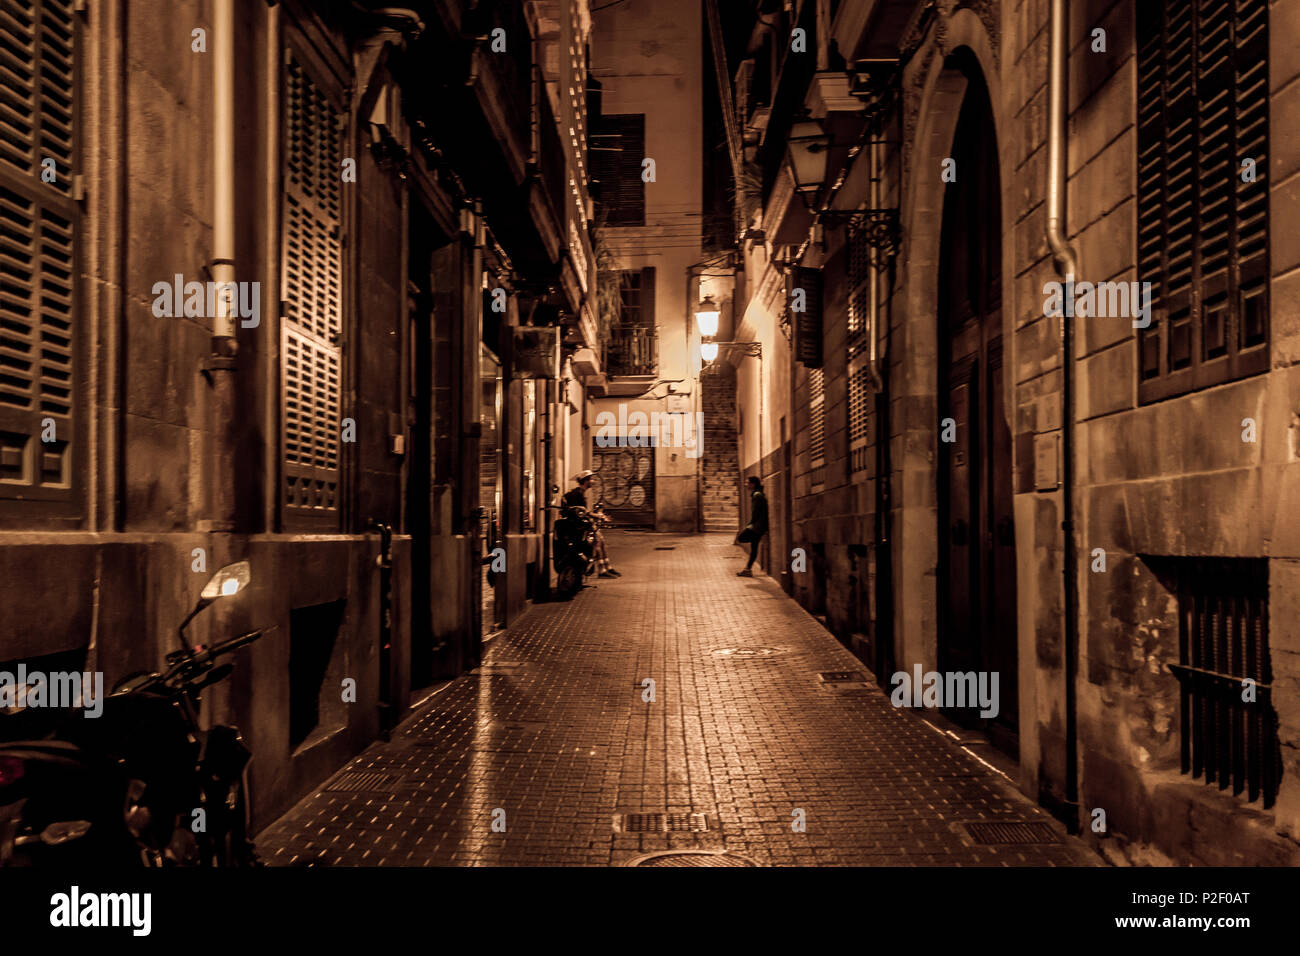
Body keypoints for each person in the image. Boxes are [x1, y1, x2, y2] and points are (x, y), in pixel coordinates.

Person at [565, 470, 620, 578]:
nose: (593, 481)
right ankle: (602, 570)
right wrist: (598, 516)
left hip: (584, 524)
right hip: (579, 527)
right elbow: (582, 512)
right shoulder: (577, 494)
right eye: (591, 479)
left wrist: (598, 516)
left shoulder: (580, 493)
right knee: (597, 543)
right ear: (585, 481)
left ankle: (607, 567)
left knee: (601, 541)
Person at [735, 476, 768, 577]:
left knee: (740, 538)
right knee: (754, 548)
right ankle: (748, 569)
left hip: (756, 526)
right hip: (760, 526)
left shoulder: (757, 495)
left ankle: (748, 569)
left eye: (747, 483)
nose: (746, 485)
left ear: (753, 484)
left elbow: (755, 513)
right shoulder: (758, 494)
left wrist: (749, 525)